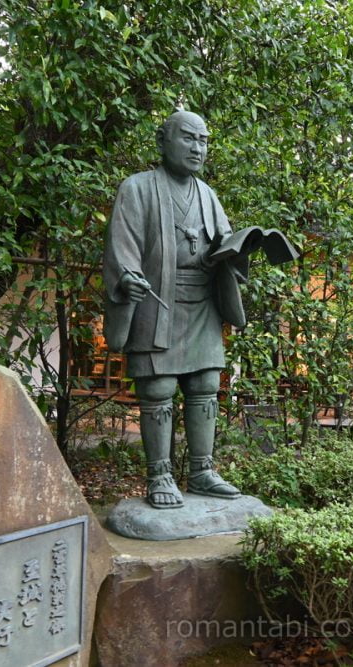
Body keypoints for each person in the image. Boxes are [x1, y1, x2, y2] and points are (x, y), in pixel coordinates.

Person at [103, 111, 247, 509]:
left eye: (203, 141)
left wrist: (236, 254)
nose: (198, 148)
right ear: (163, 141)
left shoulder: (207, 195)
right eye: (188, 139)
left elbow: (221, 245)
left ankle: (202, 471)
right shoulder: (137, 189)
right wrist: (127, 277)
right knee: (158, 387)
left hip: (201, 302)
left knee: (204, 384)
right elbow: (122, 248)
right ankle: (159, 475)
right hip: (156, 298)